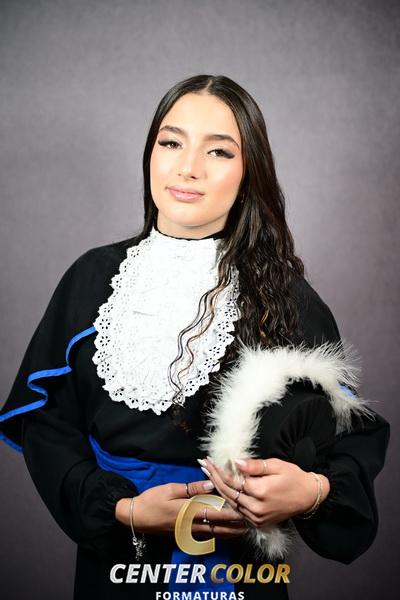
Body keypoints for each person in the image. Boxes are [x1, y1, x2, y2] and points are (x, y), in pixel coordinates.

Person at [0, 74, 390, 600]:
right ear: (150, 154)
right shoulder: (91, 278)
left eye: (219, 151)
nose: (188, 167)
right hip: (116, 571)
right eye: (171, 143)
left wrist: (311, 490)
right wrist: (124, 509)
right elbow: (49, 429)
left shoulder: (284, 297)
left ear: (249, 174)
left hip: (240, 577)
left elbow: (349, 438)